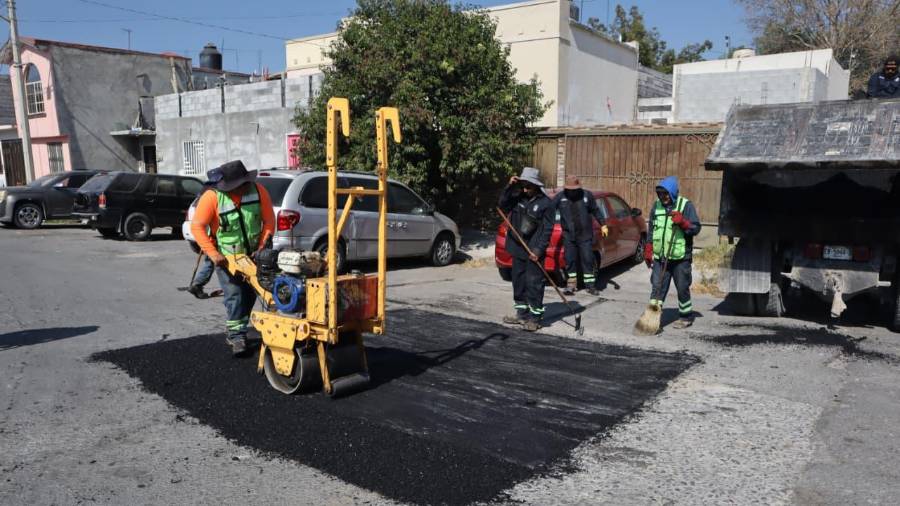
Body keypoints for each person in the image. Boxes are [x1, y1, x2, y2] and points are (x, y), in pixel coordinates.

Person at [191, 160, 275, 355]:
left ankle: (237, 327)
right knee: (234, 295)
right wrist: (213, 254)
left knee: (251, 294)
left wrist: (262, 246)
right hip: (226, 259)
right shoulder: (212, 198)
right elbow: (197, 227)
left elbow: (269, 221)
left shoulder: (259, 191)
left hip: (253, 256)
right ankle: (237, 337)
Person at [500, 167, 555, 332]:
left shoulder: (546, 204)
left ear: (536, 186)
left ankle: (535, 318)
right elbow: (502, 204)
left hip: (533, 252)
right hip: (518, 248)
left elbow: (547, 230)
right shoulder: (517, 198)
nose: (525, 189)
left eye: (528, 186)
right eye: (523, 185)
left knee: (534, 284)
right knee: (518, 282)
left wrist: (539, 250)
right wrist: (509, 186)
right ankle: (521, 314)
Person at [643, 176, 701, 329]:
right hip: (661, 257)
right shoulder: (656, 206)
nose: (663, 197)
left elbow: (696, 228)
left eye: (666, 194)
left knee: (682, 287)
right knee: (657, 287)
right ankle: (652, 319)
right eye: (660, 194)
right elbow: (652, 229)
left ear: (673, 193)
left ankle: (685, 316)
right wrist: (648, 248)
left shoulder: (685, 205)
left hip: (681, 257)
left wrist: (683, 222)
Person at [553, 175, 609, 296]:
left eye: (575, 189)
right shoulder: (560, 197)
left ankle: (590, 286)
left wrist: (603, 224)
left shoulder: (587, 196)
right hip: (569, 235)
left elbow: (596, 210)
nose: (573, 192)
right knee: (570, 260)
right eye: (570, 189)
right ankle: (571, 285)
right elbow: (548, 210)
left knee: (587, 259)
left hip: (585, 235)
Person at [186, 169, 224, 300]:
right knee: (212, 261)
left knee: (210, 261)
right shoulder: (213, 192)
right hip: (212, 233)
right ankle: (197, 285)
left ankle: (197, 284)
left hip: (207, 232)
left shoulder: (203, 191)